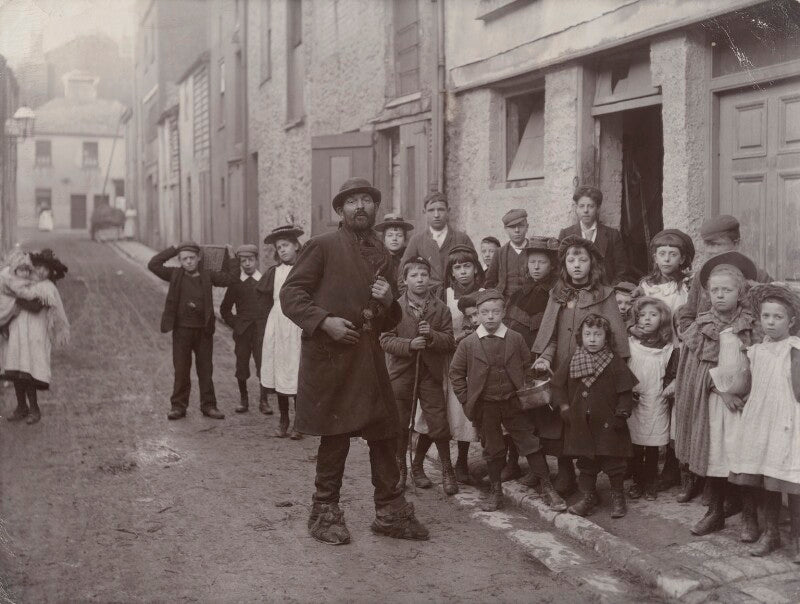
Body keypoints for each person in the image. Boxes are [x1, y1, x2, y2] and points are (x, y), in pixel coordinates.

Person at [280, 176, 429, 545]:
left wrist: (389, 301)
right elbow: (291, 295)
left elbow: (386, 320)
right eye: (352, 201)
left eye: (366, 200)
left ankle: (390, 512)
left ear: (375, 208)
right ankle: (324, 512)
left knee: (384, 433)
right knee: (336, 436)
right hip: (332, 358)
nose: (360, 206)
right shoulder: (322, 246)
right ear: (340, 210)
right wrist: (324, 322)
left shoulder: (383, 254)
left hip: (369, 359)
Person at [449, 289, 567, 513]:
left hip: (513, 403)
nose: (490, 317)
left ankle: (547, 487)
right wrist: (466, 400)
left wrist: (531, 379)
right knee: (493, 449)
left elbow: (525, 367)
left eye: (495, 312)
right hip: (486, 405)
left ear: (504, 312)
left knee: (530, 443)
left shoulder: (515, 338)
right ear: (477, 314)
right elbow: (455, 373)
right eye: (485, 312)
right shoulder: (468, 344)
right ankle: (496, 492)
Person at [532, 235, 630, 497]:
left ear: (592, 264)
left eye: (582, 259)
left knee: (589, 422)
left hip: (593, 374)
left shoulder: (605, 294)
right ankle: (565, 471)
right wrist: (545, 357)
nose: (576, 264)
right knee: (560, 421)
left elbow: (616, 339)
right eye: (571, 259)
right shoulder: (557, 294)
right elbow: (551, 334)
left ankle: (590, 480)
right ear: (564, 264)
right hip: (562, 370)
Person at [673, 252, 757, 536]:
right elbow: (694, 372)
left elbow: (759, 363)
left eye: (727, 290)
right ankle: (715, 511)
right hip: (713, 403)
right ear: (707, 293)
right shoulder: (700, 327)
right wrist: (722, 392)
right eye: (715, 290)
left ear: (740, 292)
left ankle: (750, 516)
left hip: (746, 404)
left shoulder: (752, 324)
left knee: (744, 455)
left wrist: (746, 393)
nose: (720, 295)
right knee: (716, 454)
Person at [729, 283, 800, 561]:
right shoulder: (755, 351)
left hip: (788, 421)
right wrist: (728, 387)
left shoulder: (794, 349)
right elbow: (747, 384)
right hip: (761, 420)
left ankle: (798, 538)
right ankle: (771, 534)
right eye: (766, 316)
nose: (770, 322)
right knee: (766, 477)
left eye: (778, 317)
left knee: (791, 478)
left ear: (791, 322)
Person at [380, 256, 457, 495]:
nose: (420, 279)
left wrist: (432, 335)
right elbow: (385, 340)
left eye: (424, 274)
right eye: (414, 275)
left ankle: (446, 470)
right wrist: (409, 345)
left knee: (438, 423)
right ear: (405, 280)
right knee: (400, 424)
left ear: (430, 278)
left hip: (429, 373)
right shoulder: (393, 308)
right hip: (401, 373)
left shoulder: (441, 309)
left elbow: (449, 341)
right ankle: (400, 469)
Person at [552, 314, 637, 518]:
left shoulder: (613, 361)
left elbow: (625, 392)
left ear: (606, 338)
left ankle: (618, 497)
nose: (592, 339)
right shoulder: (573, 359)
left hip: (608, 423)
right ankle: (588, 497)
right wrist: (564, 408)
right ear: (580, 336)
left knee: (614, 463)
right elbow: (557, 385)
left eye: (597, 334)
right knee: (586, 464)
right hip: (582, 423)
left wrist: (622, 413)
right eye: (588, 334)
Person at [416, 243, 484, 485]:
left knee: (463, 415)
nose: (463, 271)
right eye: (457, 267)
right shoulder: (442, 295)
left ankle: (461, 463)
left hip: (471, 363)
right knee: (435, 413)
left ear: (476, 269)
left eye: (467, 266)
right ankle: (417, 463)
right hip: (443, 360)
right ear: (451, 272)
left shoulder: (485, 293)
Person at [148, 241, 237, 420]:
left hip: (203, 331)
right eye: (184, 259)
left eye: (191, 258)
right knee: (181, 370)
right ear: (179, 261)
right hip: (182, 331)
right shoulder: (175, 274)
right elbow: (153, 265)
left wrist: (232, 258)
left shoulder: (207, 275)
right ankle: (178, 406)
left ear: (198, 258)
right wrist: (173, 249)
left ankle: (209, 406)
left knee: (205, 370)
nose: (188, 261)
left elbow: (230, 279)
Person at [637, 228, 694, 493]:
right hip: (652, 352)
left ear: (683, 258)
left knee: (675, 409)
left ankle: (674, 467)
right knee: (653, 403)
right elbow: (637, 315)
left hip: (678, 350)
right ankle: (642, 466)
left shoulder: (688, 285)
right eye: (662, 254)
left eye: (673, 254)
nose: (667, 259)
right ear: (655, 257)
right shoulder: (646, 286)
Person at [502, 236, 560, 485]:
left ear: (552, 265)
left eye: (542, 262)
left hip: (543, 361)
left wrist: (544, 357)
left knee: (541, 415)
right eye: (532, 261)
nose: (536, 266)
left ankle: (541, 469)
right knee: (515, 413)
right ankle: (512, 461)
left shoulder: (555, 295)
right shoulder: (517, 295)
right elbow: (507, 326)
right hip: (517, 361)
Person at [0, 249, 70, 424]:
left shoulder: (47, 287)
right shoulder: (24, 282)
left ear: (51, 273)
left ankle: (34, 409)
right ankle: (21, 406)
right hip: (18, 331)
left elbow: (36, 307)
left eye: (46, 269)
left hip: (35, 334)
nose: (41, 272)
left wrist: (16, 298)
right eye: (38, 267)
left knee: (29, 370)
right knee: (16, 369)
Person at [676, 215, 769, 335]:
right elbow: (687, 316)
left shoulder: (758, 276)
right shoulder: (702, 275)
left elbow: (770, 318)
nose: (710, 250)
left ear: (736, 243)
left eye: (717, 244)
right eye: (707, 244)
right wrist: (698, 338)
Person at [626, 297, 678, 501]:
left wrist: (668, 390)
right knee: (635, 444)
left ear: (662, 319)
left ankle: (650, 482)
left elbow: (671, 374)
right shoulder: (631, 344)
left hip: (656, 400)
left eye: (653, 315)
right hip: (635, 400)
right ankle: (637, 481)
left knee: (653, 445)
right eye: (642, 315)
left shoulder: (667, 348)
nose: (647, 319)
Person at [259, 225, 305, 437]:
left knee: (297, 370)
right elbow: (261, 301)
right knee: (279, 369)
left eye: (286, 245)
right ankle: (283, 418)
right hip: (278, 324)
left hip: (298, 323)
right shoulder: (274, 273)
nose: (283, 250)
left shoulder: (305, 270)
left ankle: (299, 422)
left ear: (296, 245)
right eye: (279, 247)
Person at [220, 244, 270, 415]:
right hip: (242, 332)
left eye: (251, 260)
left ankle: (264, 401)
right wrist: (236, 323)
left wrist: (266, 326)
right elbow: (225, 309)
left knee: (263, 365)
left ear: (257, 260)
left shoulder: (264, 281)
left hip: (260, 332)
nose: (247, 264)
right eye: (243, 261)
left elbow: (271, 307)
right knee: (241, 365)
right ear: (240, 263)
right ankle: (244, 400)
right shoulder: (235, 283)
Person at [399, 192, 475, 296]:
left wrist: (467, 299)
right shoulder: (417, 240)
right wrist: (414, 300)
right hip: (427, 298)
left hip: (458, 297)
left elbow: (476, 272)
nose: (436, 215)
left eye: (441, 209)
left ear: (448, 211)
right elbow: (402, 276)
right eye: (431, 210)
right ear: (424, 212)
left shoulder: (462, 238)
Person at [558, 185, 631, 285]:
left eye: (590, 206)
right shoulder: (566, 234)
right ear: (576, 208)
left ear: (598, 208)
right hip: (574, 289)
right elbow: (560, 268)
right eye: (581, 206)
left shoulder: (612, 235)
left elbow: (622, 270)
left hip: (605, 289)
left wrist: (611, 290)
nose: (586, 210)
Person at [484, 209, 531, 299]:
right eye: (512, 227)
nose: (517, 230)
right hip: (505, 301)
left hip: (530, 300)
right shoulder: (499, 253)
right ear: (506, 229)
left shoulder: (534, 250)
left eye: (521, 226)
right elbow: (489, 283)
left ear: (527, 227)